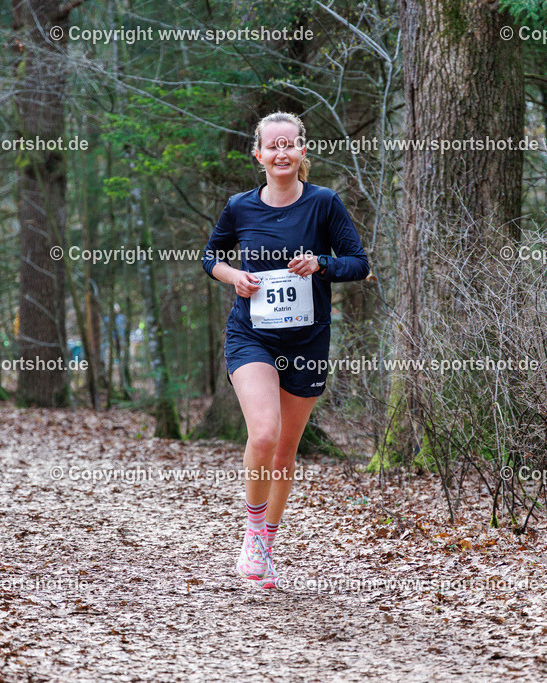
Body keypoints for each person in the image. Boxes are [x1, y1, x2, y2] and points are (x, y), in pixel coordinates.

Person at [202, 112, 370, 588]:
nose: (281, 153)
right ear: (258, 155)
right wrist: (234, 276)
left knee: (284, 453)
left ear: (301, 153)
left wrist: (320, 264)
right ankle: (252, 534)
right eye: (271, 146)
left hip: (307, 338)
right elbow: (210, 257)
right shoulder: (239, 206)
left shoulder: (324, 204)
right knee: (264, 433)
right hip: (251, 334)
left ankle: (268, 543)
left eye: (289, 145)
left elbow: (358, 264)